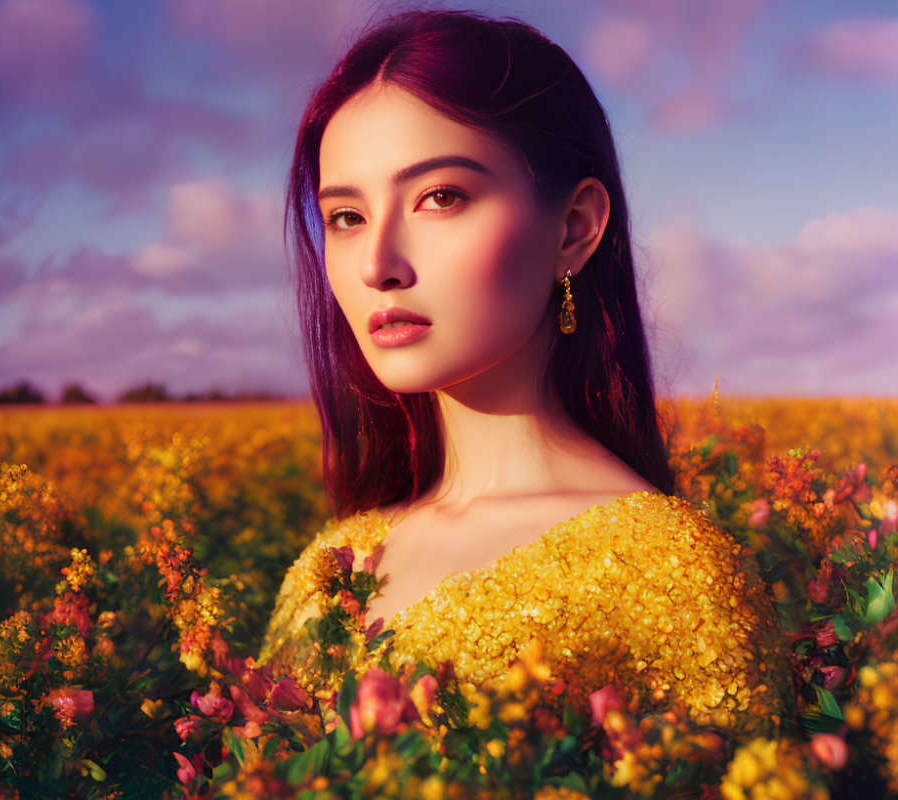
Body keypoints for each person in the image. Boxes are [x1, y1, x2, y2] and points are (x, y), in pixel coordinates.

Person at [261, 9, 790, 737]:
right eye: (346, 216)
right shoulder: (324, 572)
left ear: (574, 229)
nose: (378, 264)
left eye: (440, 197)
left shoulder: (673, 578)